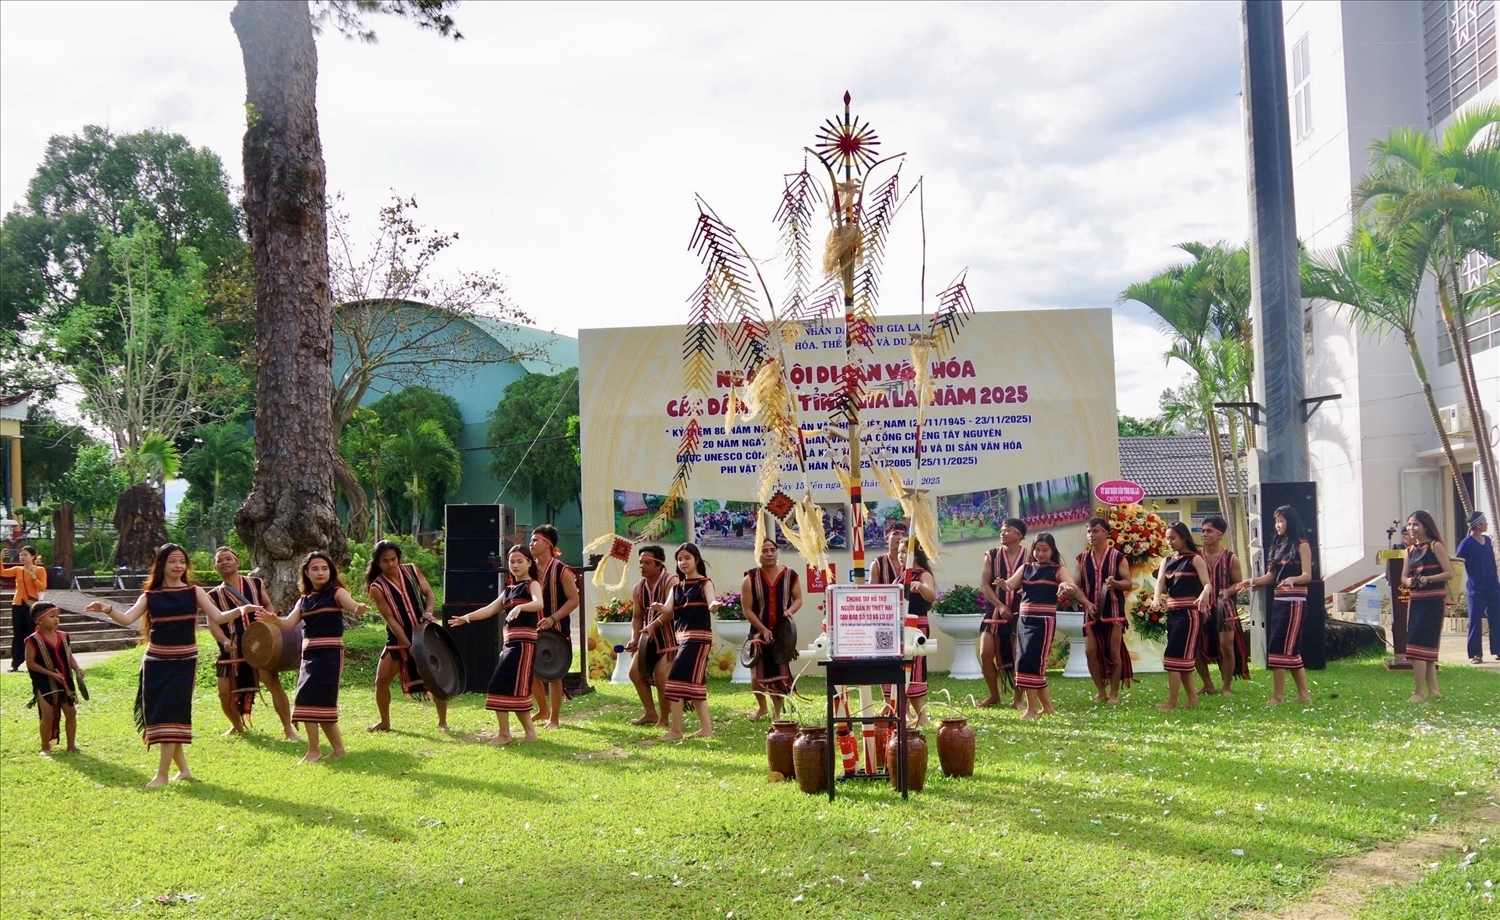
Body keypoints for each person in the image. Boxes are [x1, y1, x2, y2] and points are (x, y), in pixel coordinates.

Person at [87, 543, 262, 786]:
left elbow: (219, 617)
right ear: (161, 564)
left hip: (184, 661)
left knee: (173, 712)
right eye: (173, 561)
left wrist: (242, 609)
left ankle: (161, 775)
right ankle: (184, 770)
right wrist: (106, 608)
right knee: (162, 715)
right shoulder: (150, 595)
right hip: (155, 662)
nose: (178, 566)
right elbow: (127, 618)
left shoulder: (194, 592)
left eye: (182, 562)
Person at [258, 551, 367, 763]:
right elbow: (289, 623)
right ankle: (335, 750)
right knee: (309, 699)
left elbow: (352, 605)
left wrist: (359, 608)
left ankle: (315, 751)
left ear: (331, 571)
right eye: (315, 569)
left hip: (330, 654)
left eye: (324, 568)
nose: (320, 572)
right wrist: (273, 619)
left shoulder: (336, 593)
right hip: (308, 655)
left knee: (318, 700)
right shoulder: (304, 600)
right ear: (306, 573)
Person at [451, 547, 543, 744]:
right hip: (510, 644)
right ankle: (529, 734)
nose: (516, 565)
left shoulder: (531, 584)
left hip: (524, 644)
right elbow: (490, 609)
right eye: (512, 562)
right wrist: (467, 617)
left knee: (499, 685)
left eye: (520, 561)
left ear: (529, 563)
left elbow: (539, 603)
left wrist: (520, 606)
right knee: (515, 688)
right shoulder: (509, 589)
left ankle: (504, 735)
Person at [205, 546, 297, 740]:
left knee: (273, 684)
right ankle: (237, 725)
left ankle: (288, 729)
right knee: (224, 692)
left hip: (259, 643)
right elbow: (212, 624)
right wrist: (223, 640)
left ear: (237, 562)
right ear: (215, 567)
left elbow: (267, 605)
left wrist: (267, 621)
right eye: (220, 560)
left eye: (228, 558)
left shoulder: (256, 584)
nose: (224, 562)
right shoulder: (212, 595)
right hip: (232, 645)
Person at [365, 540, 448, 733]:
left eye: (394, 559)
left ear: (399, 558)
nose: (391, 564)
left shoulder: (412, 570)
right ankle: (384, 722)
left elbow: (429, 594)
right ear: (378, 563)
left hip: (425, 633)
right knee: (381, 681)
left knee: (436, 678)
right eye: (385, 561)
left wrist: (428, 612)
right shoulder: (377, 587)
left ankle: (443, 722)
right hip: (397, 637)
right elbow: (391, 619)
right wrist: (408, 643)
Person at [1235, 505, 1313, 706]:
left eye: (1281, 521)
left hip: (1295, 602)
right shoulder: (1278, 546)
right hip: (1279, 602)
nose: (1278, 525)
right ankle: (1304, 695)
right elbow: (1271, 576)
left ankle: (1278, 697)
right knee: (1289, 650)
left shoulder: (1302, 544)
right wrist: (1250, 581)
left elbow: (1307, 575)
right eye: (1276, 521)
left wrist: (1293, 579)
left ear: (1290, 521)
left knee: (1279, 648)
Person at [999, 533, 1079, 720]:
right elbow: (1011, 584)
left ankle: (1031, 710)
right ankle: (1048, 708)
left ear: (1052, 551)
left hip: (1043, 620)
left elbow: (1072, 586)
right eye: (1037, 549)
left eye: (1045, 550)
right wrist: (1004, 584)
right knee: (1024, 661)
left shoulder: (1057, 569)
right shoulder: (1025, 567)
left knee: (1033, 663)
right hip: (1024, 620)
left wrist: (1067, 586)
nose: (1040, 553)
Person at [648, 543, 718, 741]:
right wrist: (659, 607)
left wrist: (714, 605)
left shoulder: (705, 583)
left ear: (696, 559)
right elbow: (668, 610)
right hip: (684, 639)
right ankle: (706, 730)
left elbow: (711, 601)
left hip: (698, 639)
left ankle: (676, 731)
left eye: (687, 558)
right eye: (680, 559)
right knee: (695, 685)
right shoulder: (677, 587)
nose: (683, 562)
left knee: (673, 682)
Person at [1152, 522, 1212, 712]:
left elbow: (1208, 584)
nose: (1169, 542)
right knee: (1183, 659)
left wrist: (1204, 594)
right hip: (1173, 613)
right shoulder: (1167, 560)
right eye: (1167, 538)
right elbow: (1160, 582)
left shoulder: (1195, 559)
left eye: (1173, 538)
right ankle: (1193, 699)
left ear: (1184, 538)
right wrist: (1155, 598)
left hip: (1189, 614)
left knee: (1174, 657)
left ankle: (1172, 703)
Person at [743, 538, 802, 722]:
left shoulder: (790, 575)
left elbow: (798, 599)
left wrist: (789, 612)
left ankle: (776, 714)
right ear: (757, 554)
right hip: (758, 633)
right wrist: (763, 629)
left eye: (772, 550)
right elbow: (747, 610)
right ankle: (762, 707)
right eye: (764, 550)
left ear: (777, 552)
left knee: (779, 676)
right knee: (756, 676)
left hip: (782, 634)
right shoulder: (750, 578)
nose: (769, 554)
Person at [1076, 516, 1134, 704]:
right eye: (1088, 531)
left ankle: (1114, 693)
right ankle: (1101, 691)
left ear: (1106, 534)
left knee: (1114, 652)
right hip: (1091, 611)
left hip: (1114, 611)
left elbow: (1128, 583)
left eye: (1095, 531)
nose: (1091, 535)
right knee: (1090, 652)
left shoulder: (1118, 557)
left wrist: (1115, 583)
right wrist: (1086, 603)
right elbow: (1076, 587)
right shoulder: (1082, 559)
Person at [1400, 510, 1454, 701]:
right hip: (1416, 601)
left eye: (1415, 524)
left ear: (1425, 526)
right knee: (1423, 649)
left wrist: (1427, 579)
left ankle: (1419, 692)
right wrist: (1410, 582)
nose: (1411, 528)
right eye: (1409, 524)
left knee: (1419, 648)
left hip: (1433, 602)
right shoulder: (1409, 551)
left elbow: (1449, 573)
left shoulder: (1435, 546)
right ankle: (1434, 690)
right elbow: (1404, 576)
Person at [530, 525, 579, 729]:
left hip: (556, 629)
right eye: (531, 540)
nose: (531, 544)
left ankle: (555, 719)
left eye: (535, 540)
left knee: (554, 672)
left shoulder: (561, 570)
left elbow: (573, 600)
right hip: (532, 627)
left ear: (548, 544)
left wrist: (553, 617)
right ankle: (543, 709)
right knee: (530, 670)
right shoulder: (528, 568)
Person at [1196, 517, 1248, 695]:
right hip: (1200, 608)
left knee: (1227, 646)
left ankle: (1226, 686)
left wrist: (1227, 592)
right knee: (1194, 647)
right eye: (1203, 531)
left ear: (1220, 534)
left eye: (1209, 531)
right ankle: (1208, 684)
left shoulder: (1231, 558)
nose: (1204, 534)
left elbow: (1238, 583)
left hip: (1224, 608)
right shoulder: (1196, 557)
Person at [627, 545, 677, 727]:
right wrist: (634, 638)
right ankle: (650, 713)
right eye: (640, 562)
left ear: (659, 565)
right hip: (647, 640)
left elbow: (670, 612)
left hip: (669, 637)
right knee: (634, 673)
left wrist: (653, 626)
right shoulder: (638, 587)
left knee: (661, 676)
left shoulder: (671, 581)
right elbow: (637, 616)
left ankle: (664, 719)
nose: (642, 566)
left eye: (647, 563)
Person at [979, 517, 1027, 709]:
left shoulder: (1030, 557)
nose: (1002, 532)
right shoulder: (991, 555)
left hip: (1020, 613)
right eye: (1001, 529)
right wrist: (999, 605)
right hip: (994, 612)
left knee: (1019, 656)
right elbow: (984, 584)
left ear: (1019, 535)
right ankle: (994, 695)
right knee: (985, 654)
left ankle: (1018, 699)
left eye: (1007, 530)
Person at [23, 601, 83, 755]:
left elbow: (69, 656)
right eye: (52, 616)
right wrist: (51, 674)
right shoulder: (32, 640)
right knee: (47, 715)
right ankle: (45, 747)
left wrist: (76, 668)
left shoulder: (64, 636)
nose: (56, 619)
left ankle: (71, 745)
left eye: (57, 616)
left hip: (65, 682)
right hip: (44, 683)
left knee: (71, 713)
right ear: (39, 620)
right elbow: (30, 664)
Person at [1454, 511, 1500, 664]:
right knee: (1475, 620)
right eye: (1485, 522)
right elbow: (1457, 563)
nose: (1487, 524)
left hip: (1493, 588)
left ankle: (1498, 650)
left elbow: (1492, 563)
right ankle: (1476, 654)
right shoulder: (1466, 544)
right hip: (1476, 590)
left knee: (1496, 619)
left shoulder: (1487, 541)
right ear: (1478, 525)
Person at [901, 536, 937, 726]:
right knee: (902, 667)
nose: (900, 555)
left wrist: (920, 587)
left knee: (914, 668)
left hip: (917, 627)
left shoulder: (923, 575)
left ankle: (923, 717)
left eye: (904, 552)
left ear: (915, 554)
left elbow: (932, 596)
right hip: (900, 627)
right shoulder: (901, 576)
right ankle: (904, 712)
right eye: (899, 551)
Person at [4, 545, 47, 672]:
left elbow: (42, 587)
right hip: (17, 603)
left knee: (31, 632)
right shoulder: (17, 569)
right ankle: (15, 663)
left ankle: (35, 661)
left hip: (31, 604)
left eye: (25, 555)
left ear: (33, 557)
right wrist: (1, 559)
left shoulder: (40, 570)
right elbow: (2, 572)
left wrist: (33, 576)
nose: (22, 557)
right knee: (18, 634)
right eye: (21, 555)